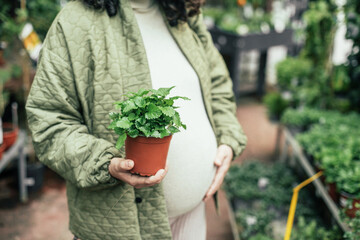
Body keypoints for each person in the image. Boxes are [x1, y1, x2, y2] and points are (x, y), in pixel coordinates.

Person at [25, 0, 247, 239]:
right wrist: (105, 163)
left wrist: (227, 137)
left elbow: (217, 83)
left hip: (192, 215)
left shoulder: (183, 11)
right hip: (121, 227)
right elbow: (50, 122)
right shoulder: (74, 23)